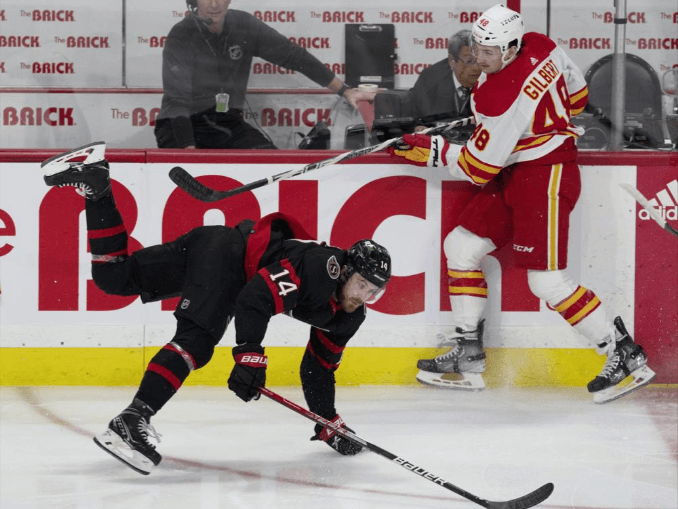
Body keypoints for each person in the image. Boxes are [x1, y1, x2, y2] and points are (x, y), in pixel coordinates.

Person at [41, 141, 392, 474]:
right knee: (197, 340)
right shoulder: (320, 268)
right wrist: (250, 355)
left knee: (114, 277)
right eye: (361, 284)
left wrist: (328, 423)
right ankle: (131, 420)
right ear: (345, 269)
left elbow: (318, 369)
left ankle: (97, 184)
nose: (363, 296)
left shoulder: (349, 317)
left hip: (215, 244)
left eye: (373, 292)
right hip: (228, 258)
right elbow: (256, 297)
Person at [389, 4, 655, 403]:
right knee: (460, 247)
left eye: (489, 52)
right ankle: (468, 355)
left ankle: (624, 354)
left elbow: (477, 167)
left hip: (545, 176)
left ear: (512, 48)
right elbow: (578, 97)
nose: (480, 58)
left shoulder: (499, 94)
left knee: (547, 282)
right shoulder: (542, 45)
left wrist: (433, 151)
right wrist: (519, 125)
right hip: (519, 168)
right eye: (477, 48)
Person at [154, 0, 371, 150]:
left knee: (269, 162)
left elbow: (294, 56)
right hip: (179, 124)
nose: (214, 4)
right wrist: (188, 152)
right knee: (190, 177)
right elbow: (176, 102)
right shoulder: (180, 36)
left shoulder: (244, 25)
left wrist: (344, 91)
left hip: (225, 122)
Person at [410, 29, 481, 131]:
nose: (477, 67)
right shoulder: (430, 79)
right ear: (452, 61)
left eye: (479, 60)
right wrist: (417, 127)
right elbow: (415, 117)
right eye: (469, 61)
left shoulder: (489, 76)